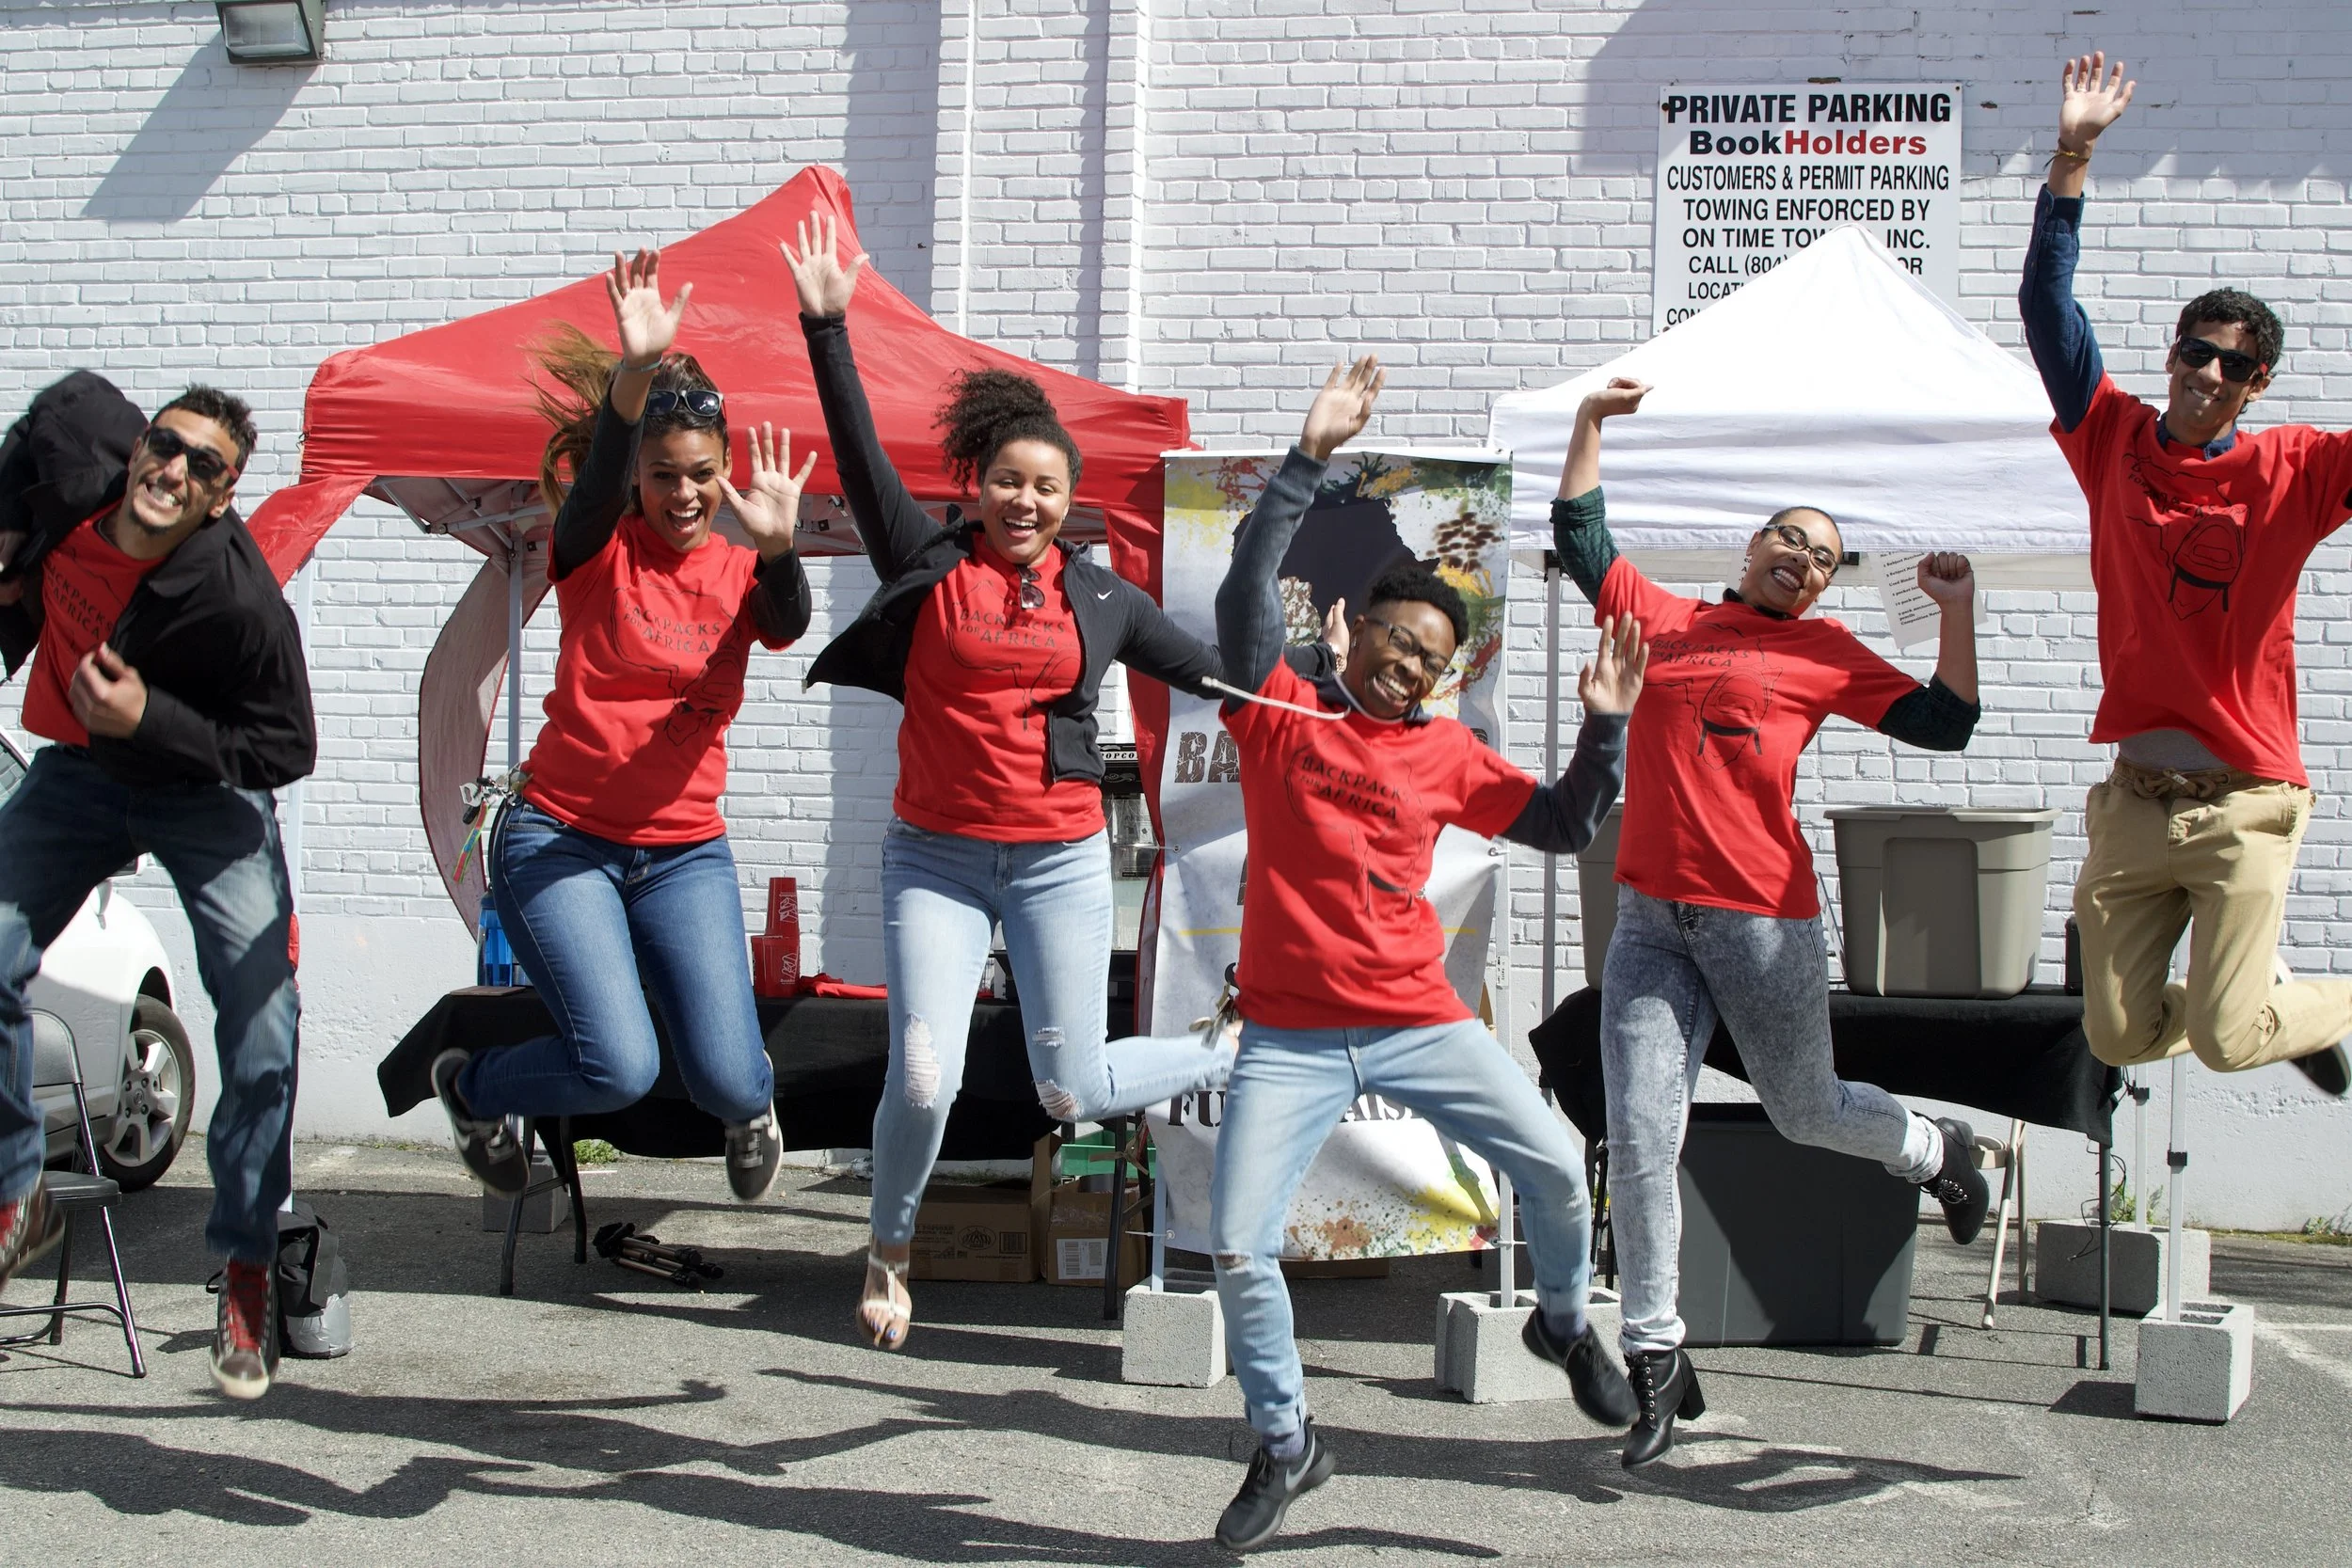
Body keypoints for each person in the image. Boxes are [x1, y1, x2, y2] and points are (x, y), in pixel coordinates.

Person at [780, 214, 1241, 1352]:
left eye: (1045, 486)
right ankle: (888, 1248)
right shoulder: (928, 562)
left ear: (1067, 499)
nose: (1024, 500)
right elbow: (856, 451)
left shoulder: (1103, 599)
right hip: (932, 853)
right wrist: (826, 326)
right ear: (976, 484)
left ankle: (1228, 1044)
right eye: (1006, 481)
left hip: (1058, 861)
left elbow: (1217, 677)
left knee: (1069, 1092)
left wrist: (1320, 679)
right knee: (925, 1072)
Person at [1206, 356, 1644, 1553]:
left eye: (1430, 655)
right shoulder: (1279, 708)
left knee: (1554, 1163)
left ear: (1446, 676)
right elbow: (1247, 590)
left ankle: (1560, 1319)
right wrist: (1304, 461)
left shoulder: (1446, 756)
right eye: (1393, 638)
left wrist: (1604, 723)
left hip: (1416, 1018)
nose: (1406, 662)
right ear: (1350, 633)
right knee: (1239, 1244)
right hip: (1289, 1037)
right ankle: (1288, 1441)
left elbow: (1561, 824)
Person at [1556, 376, 1992, 1467]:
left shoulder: (1825, 652)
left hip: (1763, 919)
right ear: (1750, 545)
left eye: (1821, 556)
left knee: (1806, 1111)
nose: (1799, 559)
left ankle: (1937, 1147)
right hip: (1652, 916)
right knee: (1645, 1137)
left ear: (1822, 586)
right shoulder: (1663, 617)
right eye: (1786, 540)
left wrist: (1955, 611)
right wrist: (1589, 425)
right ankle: (1655, 1351)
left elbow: (1947, 725)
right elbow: (1579, 533)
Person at [430, 250, 814, 1207]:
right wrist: (633, 377)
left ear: (723, 473)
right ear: (639, 476)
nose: (682, 494)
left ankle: (751, 1106)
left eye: (700, 475)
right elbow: (597, 478)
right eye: (662, 475)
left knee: (727, 1075)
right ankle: (472, 1089)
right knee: (619, 1066)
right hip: (561, 838)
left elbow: (793, 620)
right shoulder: (594, 548)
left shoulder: (737, 573)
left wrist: (778, 549)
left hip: (684, 852)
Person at [2021, 52, 2352, 1098]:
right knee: (2117, 1036)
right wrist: (2072, 153)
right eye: (2196, 351)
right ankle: (2265, 1011)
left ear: (2258, 387)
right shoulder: (2108, 434)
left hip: (2245, 796)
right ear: (2171, 353)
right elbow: (2045, 308)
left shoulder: (2293, 470)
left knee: (2218, 1036)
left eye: (2236, 366)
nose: (2209, 373)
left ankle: (2283, 1013)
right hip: (2132, 799)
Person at [0, 376, 312, 1400]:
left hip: (203, 794)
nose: (174, 470)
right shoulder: (74, 459)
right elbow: (46, 416)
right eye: (166, 446)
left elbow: (284, 746)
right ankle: (17, 1193)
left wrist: (152, 720)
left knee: (263, 1024)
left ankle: (246, 1264)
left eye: (205, 467)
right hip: (79, 777)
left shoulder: (236, 595)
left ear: (222, 499)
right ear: (138, 445)